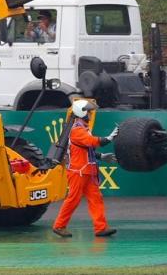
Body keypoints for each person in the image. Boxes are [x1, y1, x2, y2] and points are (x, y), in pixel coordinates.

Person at [52, 99, 119, 238]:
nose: (89, 114)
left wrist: (101, 156)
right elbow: (92, 142)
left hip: (87, 171)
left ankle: (101, 228)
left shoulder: (82, 128)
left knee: (96, 199)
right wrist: (110, 137)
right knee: (73, 199)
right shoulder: (77, 130)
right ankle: (59, 225)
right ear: (81, 113)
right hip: (78, 172)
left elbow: (86, 149)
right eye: (88, 111)